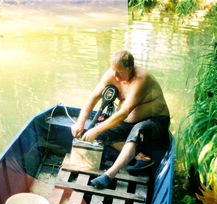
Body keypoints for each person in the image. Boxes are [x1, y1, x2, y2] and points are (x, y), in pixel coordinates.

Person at [71, 50, 170, 189]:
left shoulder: (141, 79)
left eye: (119, 72)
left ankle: (108, 175)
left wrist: (96, 129)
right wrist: (80, 122)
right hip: (127, 123)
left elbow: (124, 113)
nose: (115, 76)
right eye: (113, 70)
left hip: (156, 122)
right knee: (98, 134)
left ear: (129, 68)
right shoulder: (112, 74)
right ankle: (139, 157)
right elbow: (93, 97)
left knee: (138, 129)